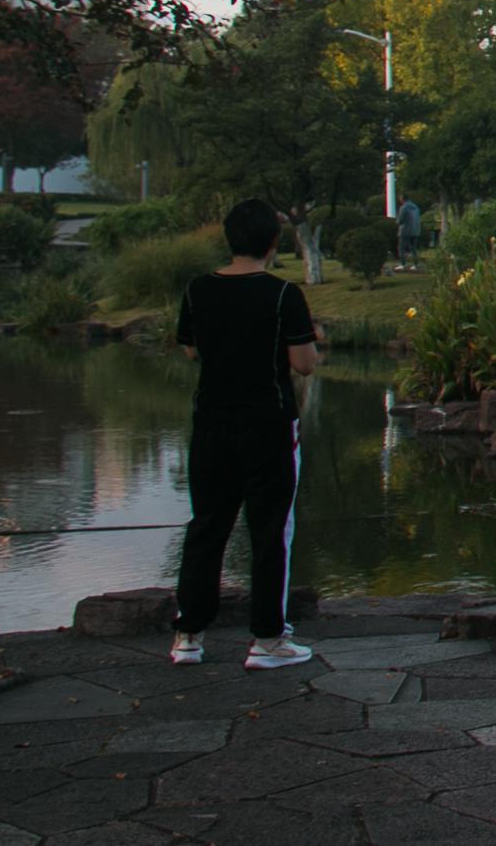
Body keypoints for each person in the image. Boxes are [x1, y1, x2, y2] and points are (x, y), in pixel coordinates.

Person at [167, 198, 323, 669]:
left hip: (212, 423)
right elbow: (304, 364)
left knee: (206, 526)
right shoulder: (282, 295)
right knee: (270, 530)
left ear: (229, 239)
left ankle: (188, 635)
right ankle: (268, 639)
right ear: (273, 243)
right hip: (269, 424)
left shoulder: (198, 290)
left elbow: (191, 351)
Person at [395, 196, 422, 270]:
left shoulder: (403, 208)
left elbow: (400, 220)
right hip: (415, 230)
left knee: (401, 248)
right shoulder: (416, 207)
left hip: (405, 231)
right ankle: (415, 264)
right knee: (414, 248)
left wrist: (397, 222)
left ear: (402, 199)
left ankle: (402, 264)